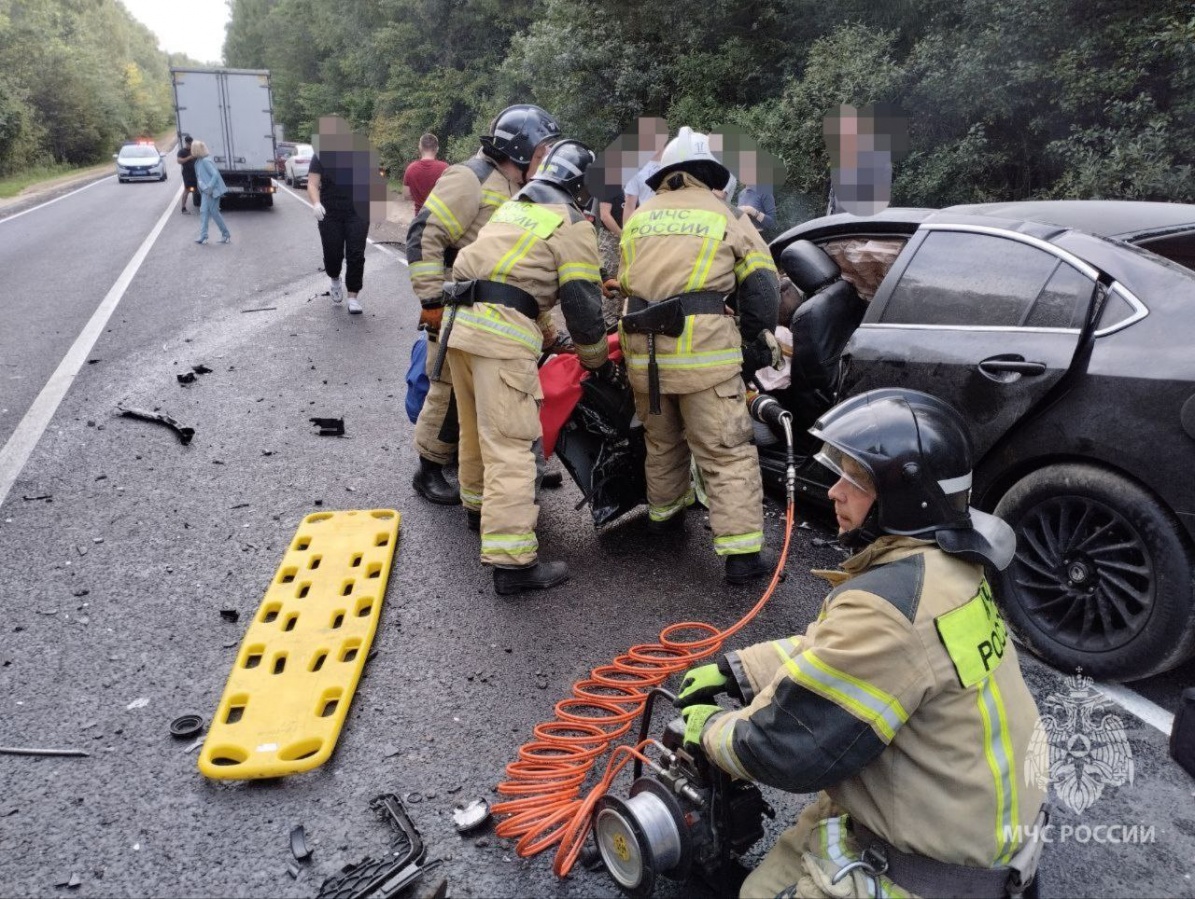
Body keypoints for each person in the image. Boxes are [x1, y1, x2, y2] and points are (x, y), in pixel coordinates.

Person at [676, 389, 1047, 899]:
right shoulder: (949, 568)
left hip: (936, 871)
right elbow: (852, 657)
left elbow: (789, 746)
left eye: (855, 478)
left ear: (904, 496)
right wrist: (742, 670)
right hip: (977, 825)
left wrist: (711, 732)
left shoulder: (887, 609)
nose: (833, 491)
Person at [444, 140, 612, 595]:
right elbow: (581, 303)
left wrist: (548, 334)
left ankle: (479, 511)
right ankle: (513, 563)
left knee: (476, 428)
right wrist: (595, 360)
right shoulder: (572, 223)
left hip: (459, 325)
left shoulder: (516, 208)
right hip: (499, 336)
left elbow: (512, 279)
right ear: (582, 188)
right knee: (513, 444)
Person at [617, 126, 782, 585]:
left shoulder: (641, 218)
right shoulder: (725, 216)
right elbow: (764, 287)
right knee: (725, 451)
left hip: (643, 357)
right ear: (713, 174)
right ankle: (743, 557)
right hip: (705, 359)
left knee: (662, 442)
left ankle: (664, 520)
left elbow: (626, 283)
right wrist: (753, 343)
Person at [407, 104, 562, 506]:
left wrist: (545, 325)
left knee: (503, 394)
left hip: (500, 307)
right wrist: (432, 302)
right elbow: (425, 235)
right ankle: (430, 468)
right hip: (459, 306)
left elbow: (517, 266)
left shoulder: (518, 187)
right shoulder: (469, 178)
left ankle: (514, 469)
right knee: (447, 391)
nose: (546, 158)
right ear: (522, 148)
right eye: (542, 150)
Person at [307, 115, 377, 315]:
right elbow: (312, 183)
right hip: (330, 213)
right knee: (333, 253)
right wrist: (316, 203)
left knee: (356, 254)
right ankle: (335, 279)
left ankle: (353, 297)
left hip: (357, 211)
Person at [191, 140, 230, 245]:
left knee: (213, 213)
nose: (191, 151)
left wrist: (209, 187)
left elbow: (215, 174)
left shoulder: (205, 161)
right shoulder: (199, 161)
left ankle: (225, 235)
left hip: (211, 192)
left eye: (193, 149)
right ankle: (204, 236)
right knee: (204, 212)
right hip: (206, 191)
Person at [402, 133, 450, 216]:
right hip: (439, 218)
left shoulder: (410, 168)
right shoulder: (445, 168)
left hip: (419, 218)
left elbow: (406, 196)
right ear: (437, 149)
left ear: (420, 147)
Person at [177, 134, 199, 213]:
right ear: (186, 143)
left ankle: (206, 206)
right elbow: (179, 161)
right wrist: (189, 157)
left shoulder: (194, 150)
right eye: (189, 144)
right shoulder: (182, 151)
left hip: (196, 173)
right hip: (187, 174)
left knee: (200, 189)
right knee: (187, 190)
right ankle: (183, 208)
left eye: (191, 144)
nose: (190, 145)